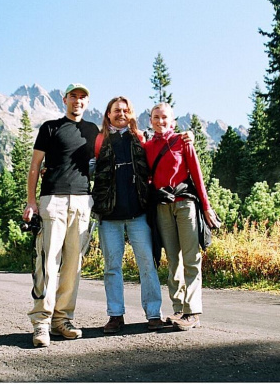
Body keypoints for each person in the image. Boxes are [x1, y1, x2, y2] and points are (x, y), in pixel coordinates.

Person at [22, 83, 99, 347]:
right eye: (73, 96)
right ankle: (41, 322)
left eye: (82, 97)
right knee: (47, 262)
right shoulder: (49, 127)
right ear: (64, 99)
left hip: (82, 201)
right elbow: (35, 166)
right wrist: (31, 201)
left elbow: (101, 163)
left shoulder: (93, 131)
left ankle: (62, 320)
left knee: (73, 264)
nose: (78, 101)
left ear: (87, 102)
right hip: (52, 199)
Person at [91, 96, 164, 333]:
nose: (120, 114)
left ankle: (153, 314)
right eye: (116, 111)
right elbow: (86, 166)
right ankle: (115, 316)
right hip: (109, 215)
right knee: (112, 266)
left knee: (147, 264)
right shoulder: (100, 140)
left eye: (125, 110)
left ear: (130, 114)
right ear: (108, 115)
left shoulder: (140, 138)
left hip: (138, 213)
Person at [144, 102, 219, 331]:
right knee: (173, 259)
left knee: (191, 257)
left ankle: (193, 311)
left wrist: (206, 207)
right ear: (150, 120)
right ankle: (178, 309)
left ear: (173, 120)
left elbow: (197, 175)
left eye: (164, 117)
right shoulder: (147, 147)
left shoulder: (182, 141)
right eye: (156, 117)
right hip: (162, 207)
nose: (160, 121)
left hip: (185, 204)